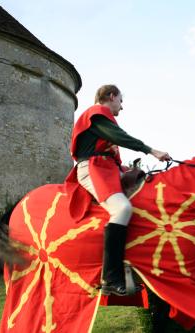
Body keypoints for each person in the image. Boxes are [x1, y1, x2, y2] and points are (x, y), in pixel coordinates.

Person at [70, 84, 170, 296]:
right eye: (120, 101)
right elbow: (121, 137)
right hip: (92, 169)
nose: (121, 107)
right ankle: (110, 278)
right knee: (122, 210)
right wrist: (152, 151)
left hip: (106, 169)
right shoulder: (97, 113)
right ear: (111, 96)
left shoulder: (102, 117)